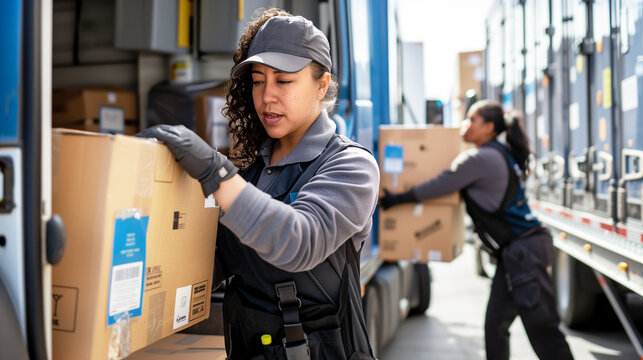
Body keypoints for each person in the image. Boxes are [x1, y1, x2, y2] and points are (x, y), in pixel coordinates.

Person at [137, 8, 378, 360]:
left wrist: (214, 173)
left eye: (283, 81)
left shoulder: (350, 165)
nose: (266, 97)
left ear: (321, 85)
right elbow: (206, 265)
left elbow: (300, 241)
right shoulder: (252, 172)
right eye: (258, 80)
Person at [380, 100, 574, 360]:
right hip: (517, 252)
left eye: (472, 120)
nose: (465, 125)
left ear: (489, 127)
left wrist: (397, 199)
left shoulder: (481, 158)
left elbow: (442, 184)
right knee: (495, 326)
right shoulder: (497, 152)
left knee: (542, 327)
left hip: (524, 252)